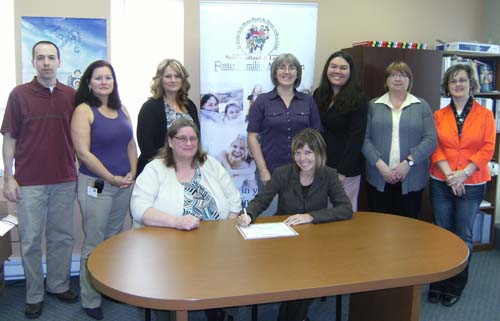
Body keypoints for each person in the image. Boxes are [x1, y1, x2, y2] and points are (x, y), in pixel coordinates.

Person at [236, 128, 352, 321]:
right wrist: (247, 214)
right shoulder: (283, 173)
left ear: (319, 153)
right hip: (283, 242)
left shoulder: (329, 175)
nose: (302, 158)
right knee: (299, 278)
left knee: (307, 277)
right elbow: (261, 200)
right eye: (297, 153)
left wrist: (311, 216)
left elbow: (345, 209)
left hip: (315, 243)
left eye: (308, 152)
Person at [131, 118, 241, 321]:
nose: (189, 143)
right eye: (182, 138)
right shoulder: (155, 169)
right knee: (170, 288)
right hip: (168, 247)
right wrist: (176, 221)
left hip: (214, 244)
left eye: (193, 139)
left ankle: (217, 308)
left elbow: (234, 199)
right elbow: (139, 209)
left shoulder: (209, 163)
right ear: (170, 141)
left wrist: (228, 229)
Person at [1, 40, 78, 319]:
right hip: (29, 182)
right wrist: (8, 177)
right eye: (40, 58)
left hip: (65, 179)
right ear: (33, 62)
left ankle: (58, 284)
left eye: (51, 58)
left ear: (59, 62)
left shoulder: (71, 95)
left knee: (62, 237)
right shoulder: (19, 95)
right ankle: (34, 294)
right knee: (31, 240)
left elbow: (81, 137)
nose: (46, 63)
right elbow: (9, 138)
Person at [71, 60, 137, 320]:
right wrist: (110, 177)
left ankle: (108, 286)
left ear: (114, 82)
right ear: (89, 83)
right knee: (95, 240)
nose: (103, 82)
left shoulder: (122, 109)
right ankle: (90, 298)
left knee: (112, 239)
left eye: (108, 77)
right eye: (98, 78)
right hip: (97, 185)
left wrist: (133, 170)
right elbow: (83, 153)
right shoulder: (84, 111)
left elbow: (131, 144)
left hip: (123, 184)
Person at [427, 64, 495, 307]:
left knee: (463, 234)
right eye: (453, 80)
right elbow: (435, 146)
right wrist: (449, 175)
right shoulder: (439, 115)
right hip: (441, 180)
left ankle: (455, 285)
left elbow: (487, 148)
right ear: (447, 86)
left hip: (473, 181)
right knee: (441, 233)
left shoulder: (485, 114)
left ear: (471, 84)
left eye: (462, 80)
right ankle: (438, 282)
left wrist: (463, 174)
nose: (458, 84)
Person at [247, 53, 322, 214]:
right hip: (270, 172)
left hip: (303, 172)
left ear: (297, 73)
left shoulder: (308, 101)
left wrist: (314, 169)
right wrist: (263, 170)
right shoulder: (262, 101)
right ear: (275, 72)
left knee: (299, 221)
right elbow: (252, 136)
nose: (286, 71)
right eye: (281, 67)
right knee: (269, 221)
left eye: (292, 67)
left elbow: (316, 137)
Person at [362, 61, 437, 218]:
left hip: (412, 177)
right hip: (378, 176)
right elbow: (364, 139)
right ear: (386, 80)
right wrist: (380, 165)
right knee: (378, 226)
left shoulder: (421, 106)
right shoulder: (373, 105)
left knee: (408, 228)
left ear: (409, 80)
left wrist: (408, 162)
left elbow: (431, 140)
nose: (398, 79)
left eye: (403, 75)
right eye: (393, 75)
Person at [314, 50, 368, 211]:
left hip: (345, 170)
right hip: (320, 166)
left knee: (342, 215)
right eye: (333, 66)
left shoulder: (358, 98)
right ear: (327, 69)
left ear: (350, 72)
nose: (337, 71)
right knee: (320, 214)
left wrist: (342, 172)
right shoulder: (319, 94)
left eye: (343, 68)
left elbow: (356, 138)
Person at [137, 59, 200, 176]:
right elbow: (146, 146)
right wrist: (168, 166)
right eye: (168, 76)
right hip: (158, 172)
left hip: (186, 169)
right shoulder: (149, 107)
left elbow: (196, 137)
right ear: (160, 79)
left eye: (177, 76)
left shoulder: (190, 105)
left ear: (183, 80)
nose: (173, 80)